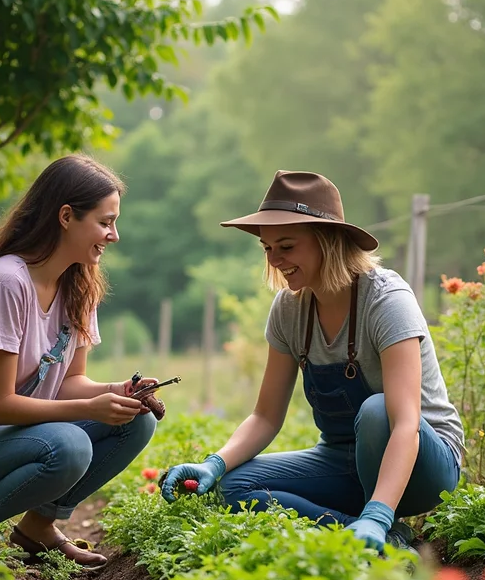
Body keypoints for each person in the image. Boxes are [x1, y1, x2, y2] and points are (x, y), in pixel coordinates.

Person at [161, 171, 463, 551]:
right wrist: (214, 464)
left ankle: (379, 519)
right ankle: (364, 532)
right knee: (235, 487)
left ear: (328, 241)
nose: (274, 259)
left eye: (285, 246)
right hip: (344, 460)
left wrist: (380, 511)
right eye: (267, 248)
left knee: (376, 411)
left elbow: (404, 423)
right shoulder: (289, 309)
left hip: (423, 463)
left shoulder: (386, 301)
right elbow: (266, 416)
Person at [0, 155, 158, 568]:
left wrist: (115, 392)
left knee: (137, 419)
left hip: (13, 438)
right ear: (66, 216)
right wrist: (88, 409)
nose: (114, 235)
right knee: (70, 444)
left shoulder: (80, 286)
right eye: (105, 221)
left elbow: (69, 381)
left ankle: (38, 527)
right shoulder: (7, 283)